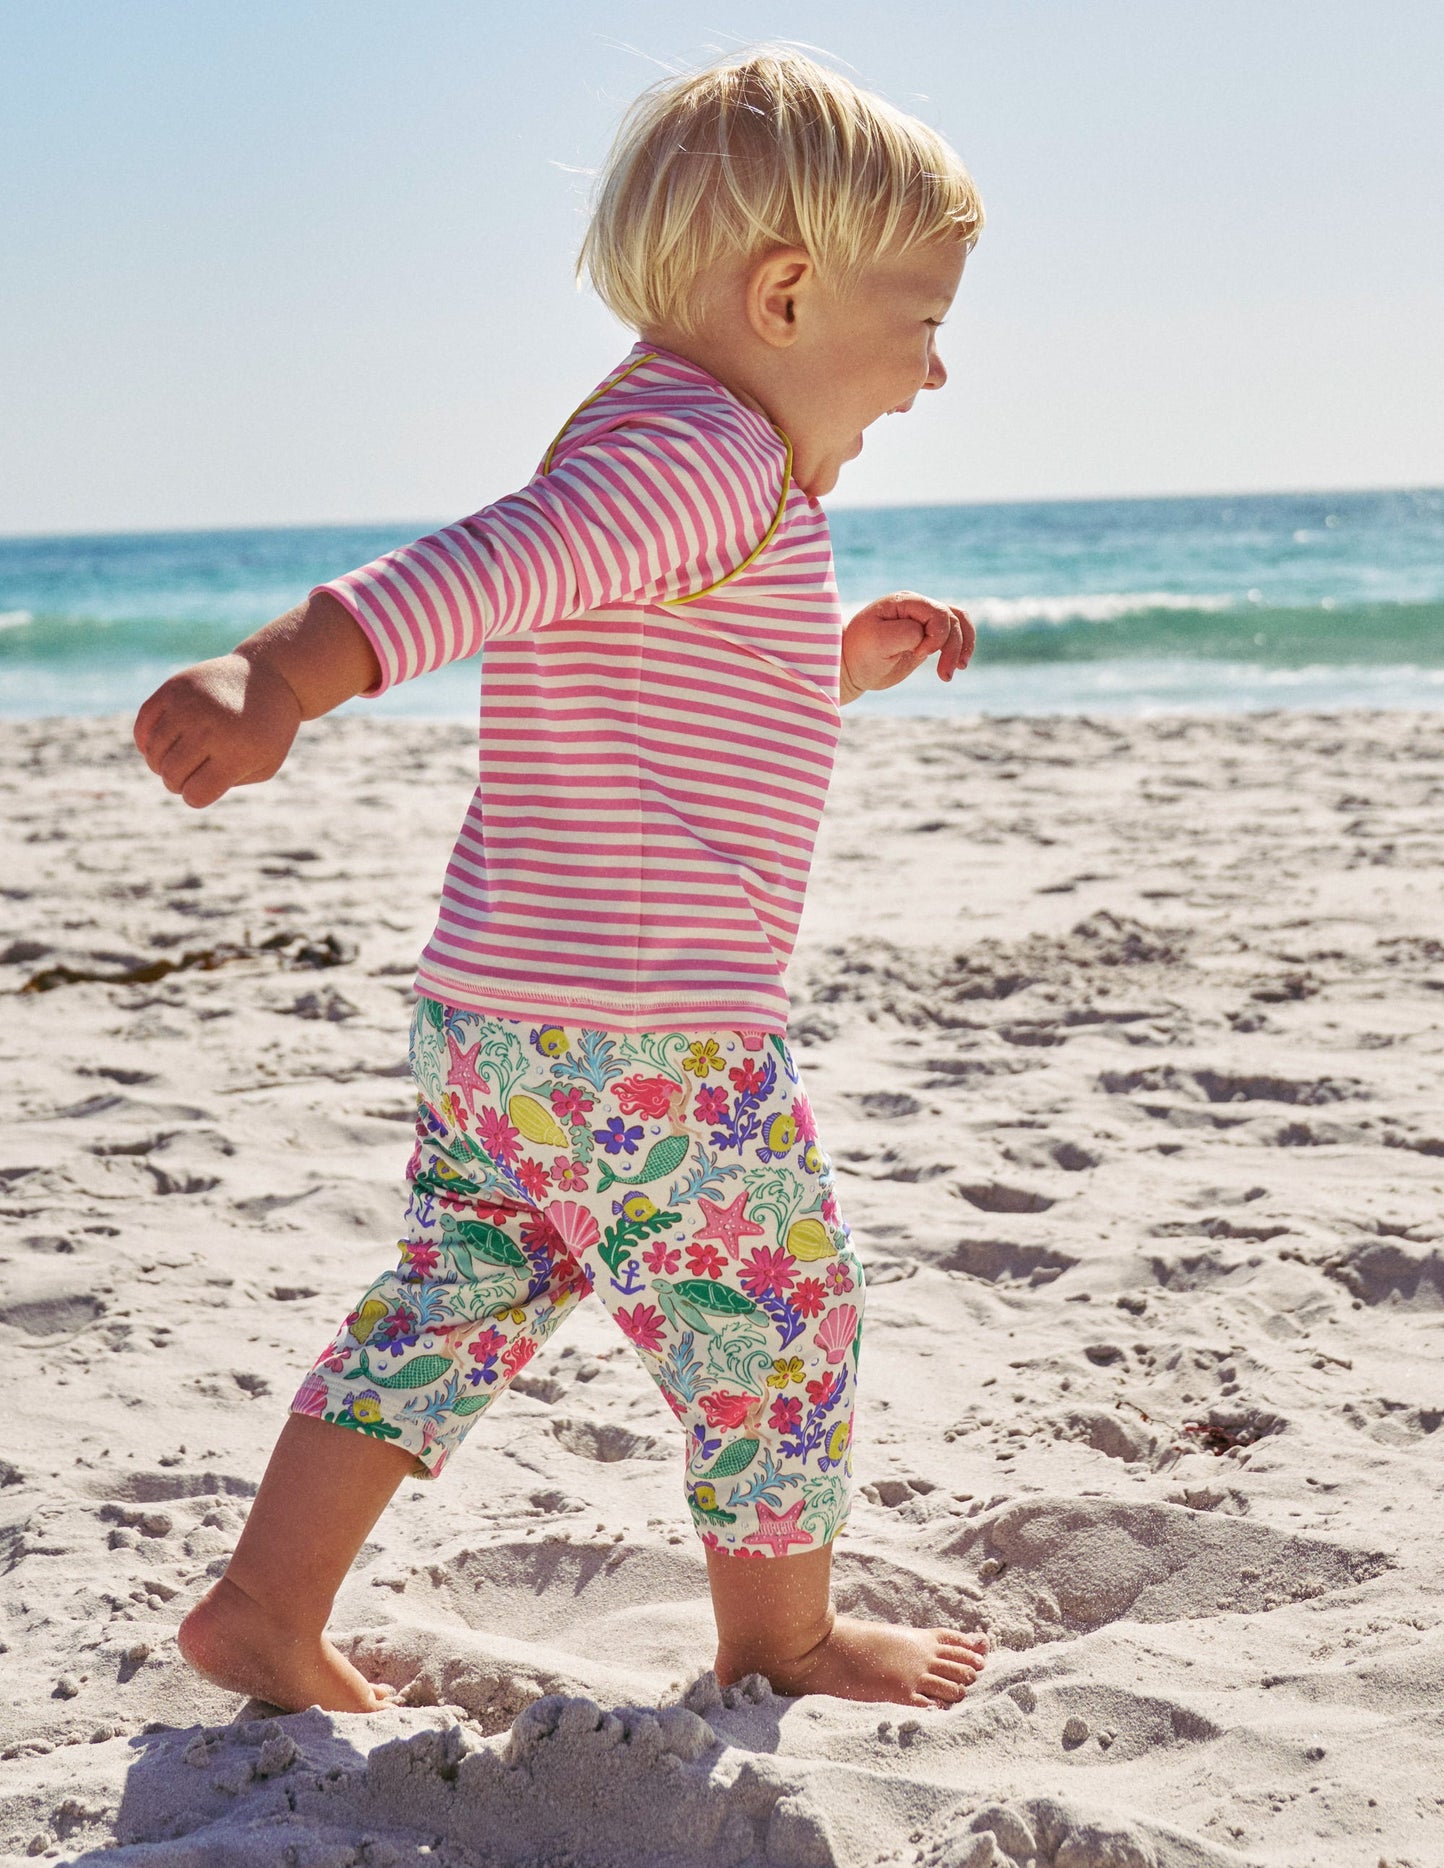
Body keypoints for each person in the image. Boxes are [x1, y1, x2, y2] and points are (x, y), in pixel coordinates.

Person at [135, 46, 989, 1716]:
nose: (937, 373)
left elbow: (652, 700)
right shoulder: (703, 463)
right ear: (791, 292)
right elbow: (474, 572)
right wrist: (281, 677)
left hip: (500, 1026)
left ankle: (262, 1604)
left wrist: (829, 670)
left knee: (452, 1296)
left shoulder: (665, 447)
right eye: (923, 323)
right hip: (647, 1035)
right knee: (777, 1318)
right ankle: (782, 1642)